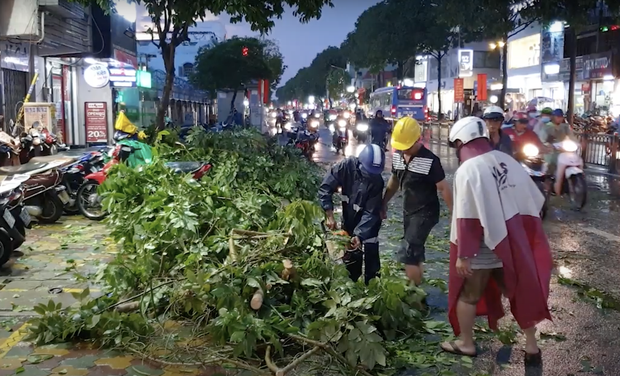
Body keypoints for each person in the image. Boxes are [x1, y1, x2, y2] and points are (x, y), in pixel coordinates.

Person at [440, 116, 553, 367]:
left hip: (482, 248)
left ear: (461, 141)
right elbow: (533, 199)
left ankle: (466, 343)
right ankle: (532, 346)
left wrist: (464, 254)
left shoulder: (467, 169)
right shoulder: (506, 160)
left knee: (468, 295)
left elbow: (467, 217)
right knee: (519, 293)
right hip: (510, 244)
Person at [382, 117, 452, 286]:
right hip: (409, 210)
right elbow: (394, 181)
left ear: (417, 139)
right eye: (401, 147)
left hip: (426, 212)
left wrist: (454, 214)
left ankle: (413, 292)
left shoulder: (430, 160)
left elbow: (443, 188)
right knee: (415, 250)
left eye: (407, 147)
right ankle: (418, 289)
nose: (404, 150)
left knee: (409, 252)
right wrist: (383, 202)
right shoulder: (398, 156)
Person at [318, 144, 386, 284]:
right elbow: (325, 188)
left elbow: (371, 212)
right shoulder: (345, 166)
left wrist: (360, 234)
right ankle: (352, 285)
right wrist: (329, 215)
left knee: (371, 254)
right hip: (349, 215)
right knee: (351, 254)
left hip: (369, 222)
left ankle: (373, 287)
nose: (370, 176)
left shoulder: (377, 182)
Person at [538, 109, 577, 195]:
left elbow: (571, 136)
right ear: (553, 117)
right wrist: (548, 144)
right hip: (551, 151)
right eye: (557, 117)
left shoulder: (565, 127)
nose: (559, 119)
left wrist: (577, 143)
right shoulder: (547, 127)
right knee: (550, 166)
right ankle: (548, 185)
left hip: (563, 150)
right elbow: (542, 139)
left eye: (561, 117)